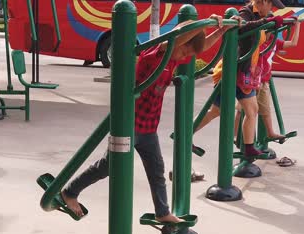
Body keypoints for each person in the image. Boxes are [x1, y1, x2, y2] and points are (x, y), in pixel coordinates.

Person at [61, 14, 241, 222]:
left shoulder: (175, 56)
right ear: (178, 40)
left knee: (157, 171)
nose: (184, 56)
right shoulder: (155, 54)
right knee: (107, 166)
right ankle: (70, 192)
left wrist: (221, 30)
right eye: (184, 49)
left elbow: (200, 45)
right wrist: (202, 24)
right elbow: (177, 40)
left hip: (148, 126)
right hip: (128, 124)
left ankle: (163, 213)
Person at [194, 0, 294, 158]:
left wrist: (271, 23)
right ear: (265, 2)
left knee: (252, 109)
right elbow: (243, 27)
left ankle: (248, 147)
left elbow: (263, 30)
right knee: (216, 111)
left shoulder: (262, 14)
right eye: (271, 5)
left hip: (246, 71)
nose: (271, 10)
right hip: (233, 71)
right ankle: (184, 135)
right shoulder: (245, 12)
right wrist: (266, 22)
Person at [234, 17, 301, 143]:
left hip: (264, 80)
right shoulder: (256, 41)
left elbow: (292, 43)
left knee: (265, 110)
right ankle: (236, 136)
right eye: (268, 29)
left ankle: (270, 133)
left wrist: (297, 26)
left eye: (273, 29)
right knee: (241, 110)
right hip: (252, 79)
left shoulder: (273, 41)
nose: (270, 32)